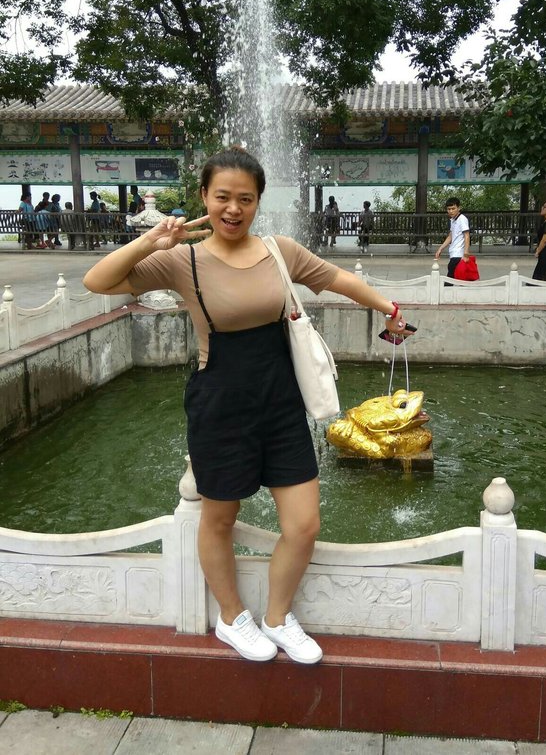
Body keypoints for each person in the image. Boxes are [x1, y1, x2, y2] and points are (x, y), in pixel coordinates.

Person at [83, 145, 412, 665]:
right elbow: (97, 281)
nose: (233, 209)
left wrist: (389, 307)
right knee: (219, 517)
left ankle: (278, 618)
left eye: (245, 199)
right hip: (220, 404)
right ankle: (232, 617)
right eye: (222, 197)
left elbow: (336, 279)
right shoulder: (184, 259)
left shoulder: (279, 251)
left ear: (259, 201)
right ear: (203, 198)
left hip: (281, 402)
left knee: (303, 524)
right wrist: (151, 240)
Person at [434, 197, 470, 280]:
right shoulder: (453, 220)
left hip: (459, 254)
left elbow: (467, 236)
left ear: (459, 208)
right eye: (449, 209)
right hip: (454, 253)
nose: (451, 211)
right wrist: (440, 248)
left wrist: (466, 254)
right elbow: (450, 236)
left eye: (453, 208)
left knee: (450, 279)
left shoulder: (462, 219)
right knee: (457, 279)